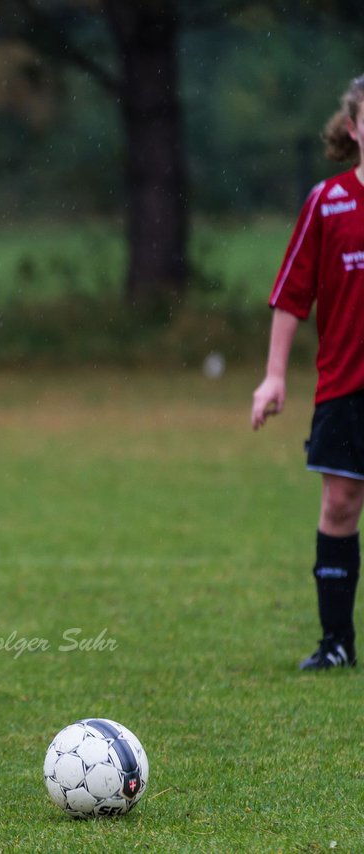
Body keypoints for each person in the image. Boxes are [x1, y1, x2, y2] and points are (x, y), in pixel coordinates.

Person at [252, 73, 364, 671]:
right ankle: (336, 642)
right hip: (347, 384)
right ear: (354, 126)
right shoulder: (329, 202)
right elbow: (292, 295)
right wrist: (274, 377)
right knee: (340, 504)